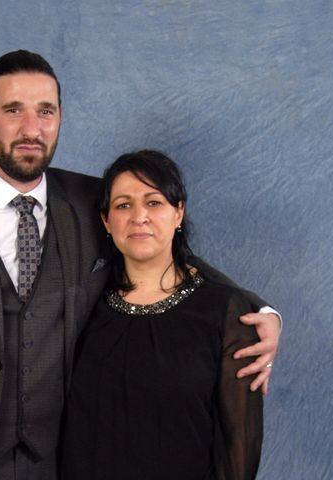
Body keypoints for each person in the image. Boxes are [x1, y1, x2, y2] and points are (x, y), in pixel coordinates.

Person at [0, 50, 279, 480]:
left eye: (46, 111)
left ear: (60, 115)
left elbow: (162, 248)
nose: (32, 129)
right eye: (14, 110)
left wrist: (259, 310)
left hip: (57, 461)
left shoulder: (90, 201)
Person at [60, 150, 263, 479]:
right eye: (123, 204)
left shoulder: (227, 313)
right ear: (106, 221)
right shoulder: (85, 307)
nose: (138, 216)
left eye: (153, 202)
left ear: (178, 212)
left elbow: (239, 450)